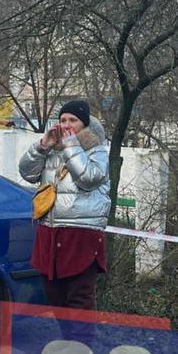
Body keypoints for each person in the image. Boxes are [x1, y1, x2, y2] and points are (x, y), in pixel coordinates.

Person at [19, 99, 111, 310]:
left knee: (79, 298)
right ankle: (65, 332)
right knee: (54, 296)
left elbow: (88, 179)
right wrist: (42, 146)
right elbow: (27, 173)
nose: (67, 124)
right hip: (49, 230)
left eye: (73, 120)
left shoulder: (96, 150)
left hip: (80, 233)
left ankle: (81, 333)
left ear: (84, 124)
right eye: (63, 120)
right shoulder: (53, 149)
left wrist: (72, 146)